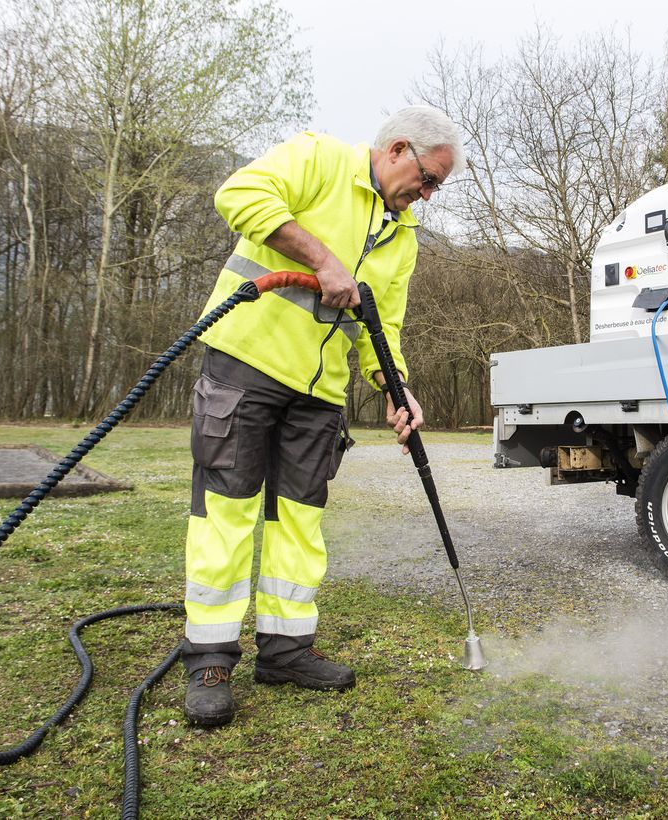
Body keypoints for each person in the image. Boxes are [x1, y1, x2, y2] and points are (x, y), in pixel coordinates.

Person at [182, 106, 465, 727]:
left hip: (319, 393)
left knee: (301, 520)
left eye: (436, 186)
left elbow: (380, 324)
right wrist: (323, 259)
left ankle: (285, 650)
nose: (428, 194)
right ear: (397, 150)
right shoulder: (321, 160)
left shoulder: (403, 236)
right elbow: (239, 194)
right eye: (428, 179)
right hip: (247, 364)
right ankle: (209, 658)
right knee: (225, 512)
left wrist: (396, 388)